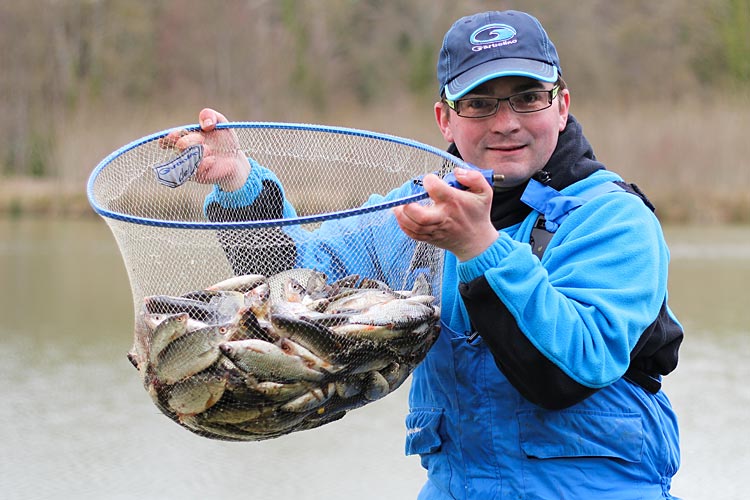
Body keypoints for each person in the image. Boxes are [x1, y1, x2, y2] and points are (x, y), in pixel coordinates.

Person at [165, 10, 683, 499]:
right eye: (479, 103)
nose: (506, 122)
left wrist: (478, 247)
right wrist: (238, 183)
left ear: (562, 106)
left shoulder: (614, 219)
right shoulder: (412, 211)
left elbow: (566, 373)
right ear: (445, 119)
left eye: (528, 98)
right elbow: (291, 281)